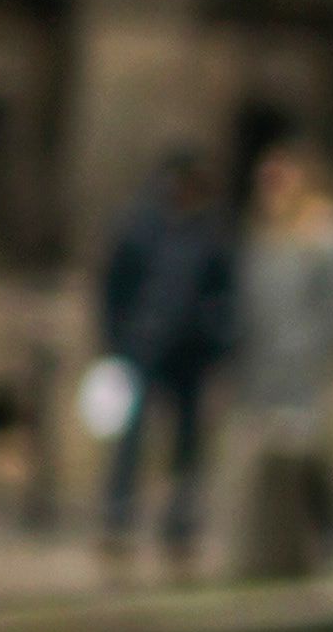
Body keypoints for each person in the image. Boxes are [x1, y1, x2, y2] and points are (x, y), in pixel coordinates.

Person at [94, 146, 238, 575]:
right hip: (141, 349)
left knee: (187, 447)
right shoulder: (140, 227)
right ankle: (119, 521)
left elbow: (223, 291)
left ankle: (180, 526)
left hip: (189, 356)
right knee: (129, 442)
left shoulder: (210, 233)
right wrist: (118, 340)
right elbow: (114, 285)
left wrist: (215, 340)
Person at [233, 142, 333, 574]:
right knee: (278, 455)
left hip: (306, 362)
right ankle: (287, 542)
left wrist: (327, 351)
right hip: (266, 363)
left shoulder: (324, 232)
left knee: (310, 450)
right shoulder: (264, 233)